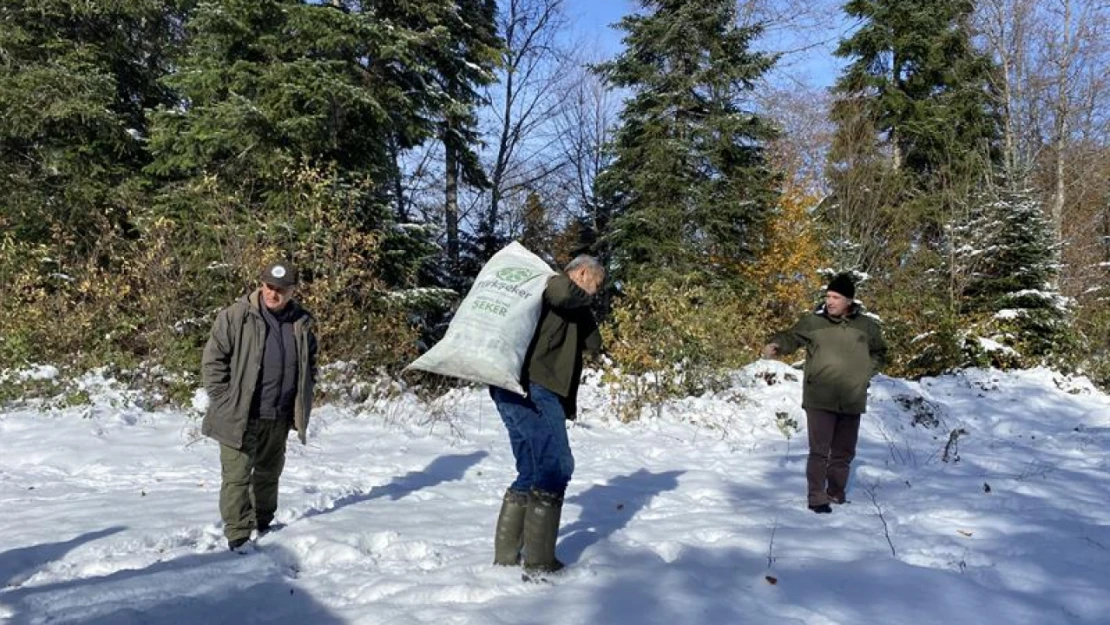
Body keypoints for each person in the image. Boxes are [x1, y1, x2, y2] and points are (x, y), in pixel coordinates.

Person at [489, 255, 605, 573]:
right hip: (534, 388)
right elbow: (564, 293)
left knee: (530, 470)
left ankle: (506, 559)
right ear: (581, 273)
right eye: (596, 284)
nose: (595, 293)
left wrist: (584, 308)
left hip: (510, 387)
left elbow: (594, 342)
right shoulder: (552, 283)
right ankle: (539, 564)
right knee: (557, 466)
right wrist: (581, 296)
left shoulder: (570, 305)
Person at [202, 262, 317, 550]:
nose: (272, 293)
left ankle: (264, 524)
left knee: (268, 474)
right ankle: (238, 537)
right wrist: (224, 400)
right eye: (268, 286)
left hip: (277, 415)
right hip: (239, 415)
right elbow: (213, 361)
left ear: (292, 291)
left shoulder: (302, 324)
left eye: (280, 289)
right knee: (237, 478)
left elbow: (309, 365)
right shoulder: (235, 316)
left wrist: (302, 398)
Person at [762, 273, 887, 514]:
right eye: (828, 296)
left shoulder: (867, 327)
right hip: (819, 396)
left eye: (836, 297)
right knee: (819, 451)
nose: (830, 301)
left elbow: (880, 353)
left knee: (843, 452)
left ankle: (836, 493)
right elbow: (791, 336)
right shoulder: (813, 323)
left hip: (851, 397)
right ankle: (817, 497)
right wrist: (777, 344)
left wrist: (865, 374)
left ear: (849, 300)